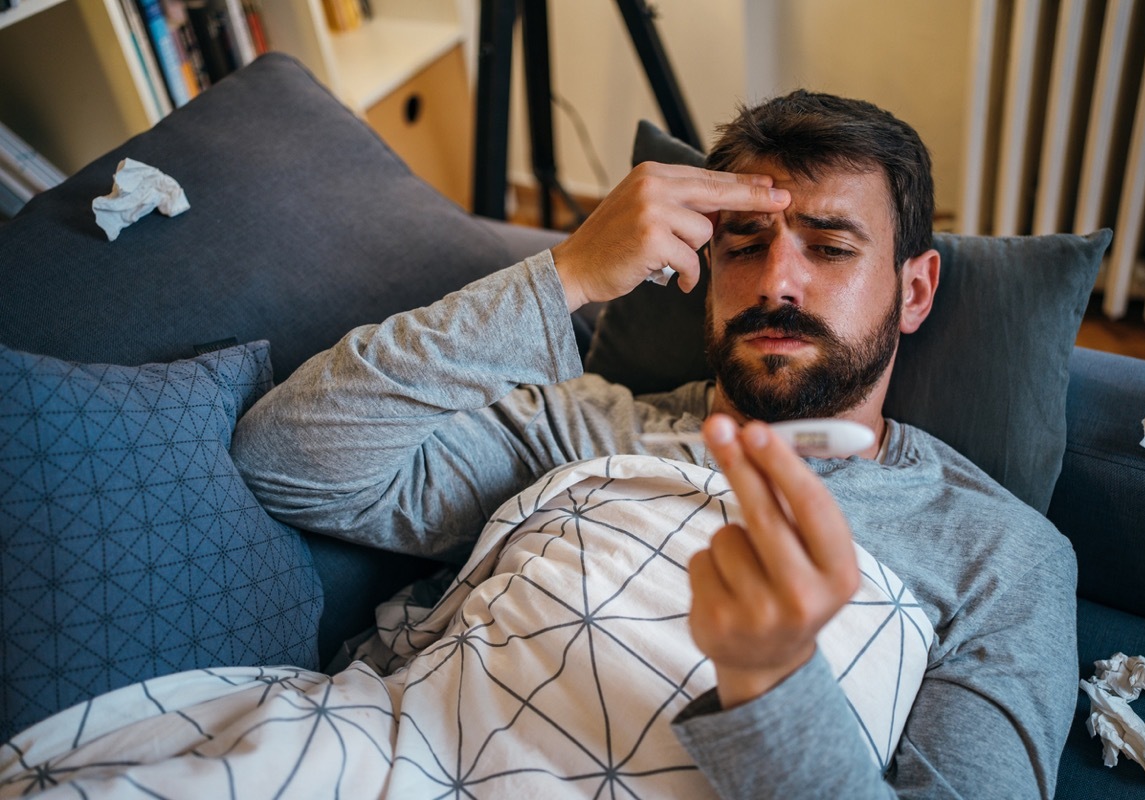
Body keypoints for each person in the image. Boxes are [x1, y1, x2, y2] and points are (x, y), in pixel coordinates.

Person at [231, 90, 1077, 798]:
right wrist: (565, 275)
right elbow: (288, 462)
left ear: (916, 290)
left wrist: (772, 680)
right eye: (744, 243)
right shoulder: (588, 427)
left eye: (828, 247)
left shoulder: (1002, 555)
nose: (777, 280)